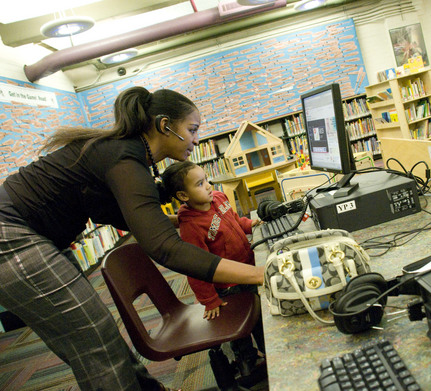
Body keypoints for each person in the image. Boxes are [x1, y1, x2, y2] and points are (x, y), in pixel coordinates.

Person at [0, 86, 264, 391]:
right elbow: (165, 248)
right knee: (95, 341)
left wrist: (185, 220)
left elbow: (123, 216)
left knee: (96, 337)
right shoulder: (124, 156)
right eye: (192, 130)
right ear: (165, 126)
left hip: (32, 234)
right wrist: (258, 273)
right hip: (10, 235)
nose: (197, 139)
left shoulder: (124, 153)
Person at [161, 160, 265, 378]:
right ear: (183, 196)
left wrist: (248, 225)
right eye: (200, 184)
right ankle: (248, 362)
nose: (208, 186)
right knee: (241, 326)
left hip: (247, 267)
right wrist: (209, 299)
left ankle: (267, 352)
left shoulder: (218, 197)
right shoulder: (191, 226)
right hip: (228, 284)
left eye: (206, 179)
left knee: (261, 317)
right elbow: (194, 266)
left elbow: (234, 221)